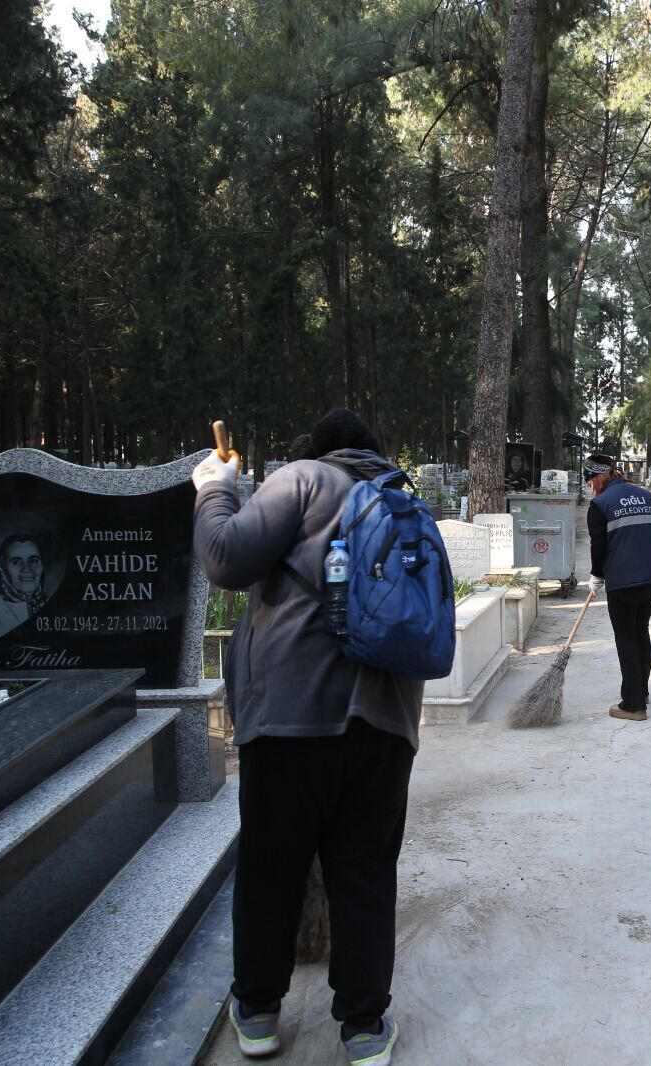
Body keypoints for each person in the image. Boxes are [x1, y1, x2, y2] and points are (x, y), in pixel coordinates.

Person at [194, 408, 417, 1065]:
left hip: (290, 717)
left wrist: (214, 487)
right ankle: (364, 1028)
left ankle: (260, 1014)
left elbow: (225, 559)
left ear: (318, 450)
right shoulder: (406, 502)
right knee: (366, 871)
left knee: (271, 868)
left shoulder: (301, 482)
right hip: (385, 721)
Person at [584, 453, 651, 722]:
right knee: (640, 631)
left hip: (622, 581)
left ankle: (633, 705)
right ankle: (640, 692)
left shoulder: (600, 504)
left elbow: (598, 546)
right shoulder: (644, 495)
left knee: (626, 637)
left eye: (589, 481)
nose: (590, 487)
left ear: (597, 477)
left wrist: (596, 575)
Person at [0, 532, 49, 643]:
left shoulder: (56, 607)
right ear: (3, 569)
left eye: (34, 561)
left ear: (42, 566)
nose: (27, 569)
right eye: (16, 562)